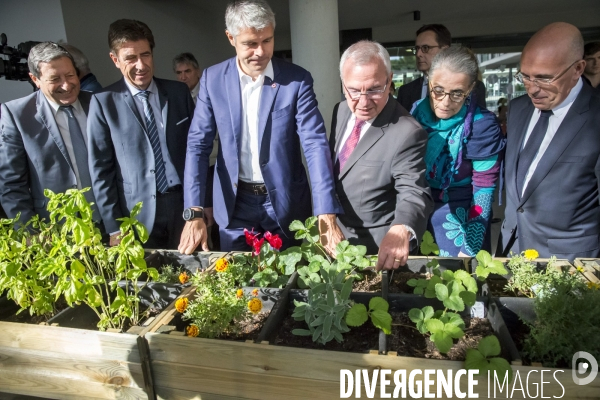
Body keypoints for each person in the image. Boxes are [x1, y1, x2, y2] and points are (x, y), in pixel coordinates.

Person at [178, 0, 343, 254]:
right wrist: (194, 211)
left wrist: (325, 210)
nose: (260, 52)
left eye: (267, 40)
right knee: (236, 285)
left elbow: (314, 143)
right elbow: (198, 144)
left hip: (285, 203)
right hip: (234, 205)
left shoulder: (296, 81)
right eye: (250, 44)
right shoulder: (213, 80)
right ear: (230, 38)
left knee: (289, 281)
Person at [87, 19, 194, 249]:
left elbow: (197, 151)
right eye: (130, 58)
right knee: (149, 283)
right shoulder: (104, 103)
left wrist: (202, 204)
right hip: (136, 215)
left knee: (195, 274)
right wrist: (114, 227)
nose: (141, 65)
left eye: (145, 55)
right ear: (115, 60)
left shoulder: (177, 93)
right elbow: (101, 172)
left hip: (183, 204)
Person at [499, 22, 600, 262]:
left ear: (578, 69)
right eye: (525, 76)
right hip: (511, 254)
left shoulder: (596, 117)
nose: (533, 89)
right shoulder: (518, 108)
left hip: (570, 263)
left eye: (544, 78)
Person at [330, 40, 433, 270]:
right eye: (354, 90)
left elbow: (414, 190)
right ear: (343, 84)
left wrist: (402, 228)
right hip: (335, 245)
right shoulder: (340, 110)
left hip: (375, 255)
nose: (364, 102)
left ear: (389, 81)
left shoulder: (407, 131)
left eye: (375, 89)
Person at [411, 46, 505, 257]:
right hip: (415, 210)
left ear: (470, 89)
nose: (445, 102)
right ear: (429, 81)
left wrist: (469, 247)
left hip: (461, 219)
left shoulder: (482, 126)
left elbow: (483, 192)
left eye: (457, 93)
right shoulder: (415, 113)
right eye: (438, 90)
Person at [0, 42, 100, 226]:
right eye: (55, 79)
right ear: (35, 79)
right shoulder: (16, 116)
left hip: (109, 224)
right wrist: (28, 230)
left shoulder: (98, 103)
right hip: (55, 229)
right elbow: (11, 185)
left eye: (70, 75)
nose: (66, 84)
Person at [173, 52, 221, 250]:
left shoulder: (210, 93)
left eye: (188, 71)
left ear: (198, 71)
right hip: (193, 171)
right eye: (179, 73)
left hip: (214, 165)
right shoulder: (177, 97)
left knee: (216, 227)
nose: (183, 77)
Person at [397, 24, 487, 113]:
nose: (418, 54)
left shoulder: (475, 88)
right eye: (417, 48)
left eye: (425, 48)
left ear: (444, 50)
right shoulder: (405, 91)